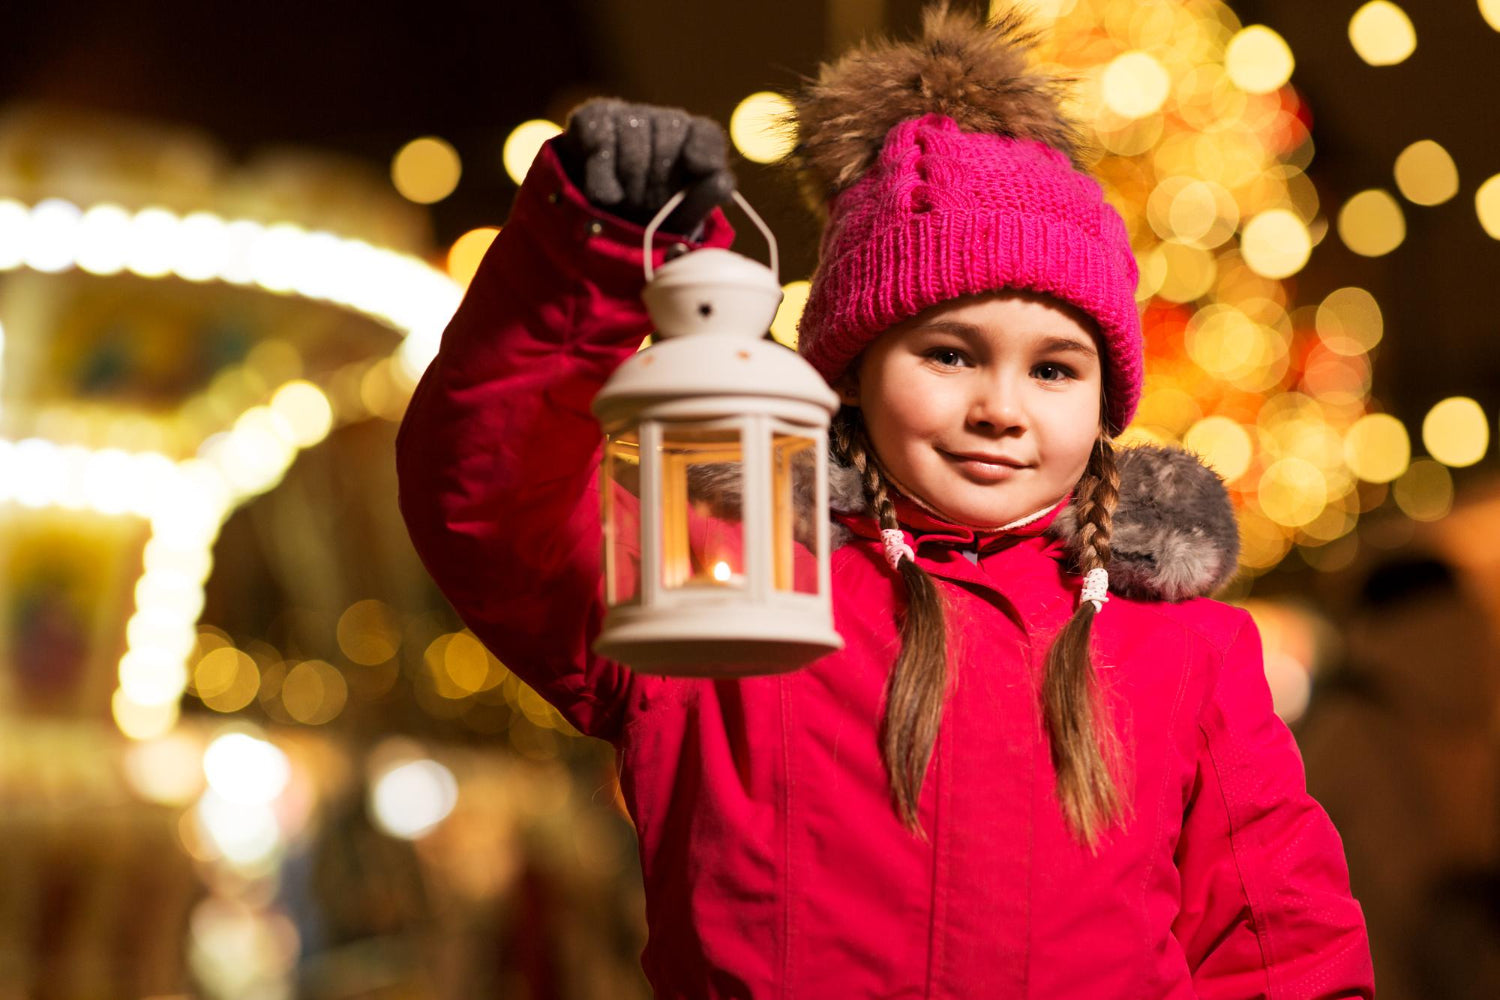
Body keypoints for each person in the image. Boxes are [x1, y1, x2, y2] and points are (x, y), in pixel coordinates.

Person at [397, 5, 1374, 997]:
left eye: (1054, 369)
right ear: (854, 370)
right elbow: (492, 498)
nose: (1000, 407)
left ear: (1105, 399)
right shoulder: (724, 582)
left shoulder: (1182, 646)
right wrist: (588, 253)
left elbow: (1277, 946)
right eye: (948, 354)